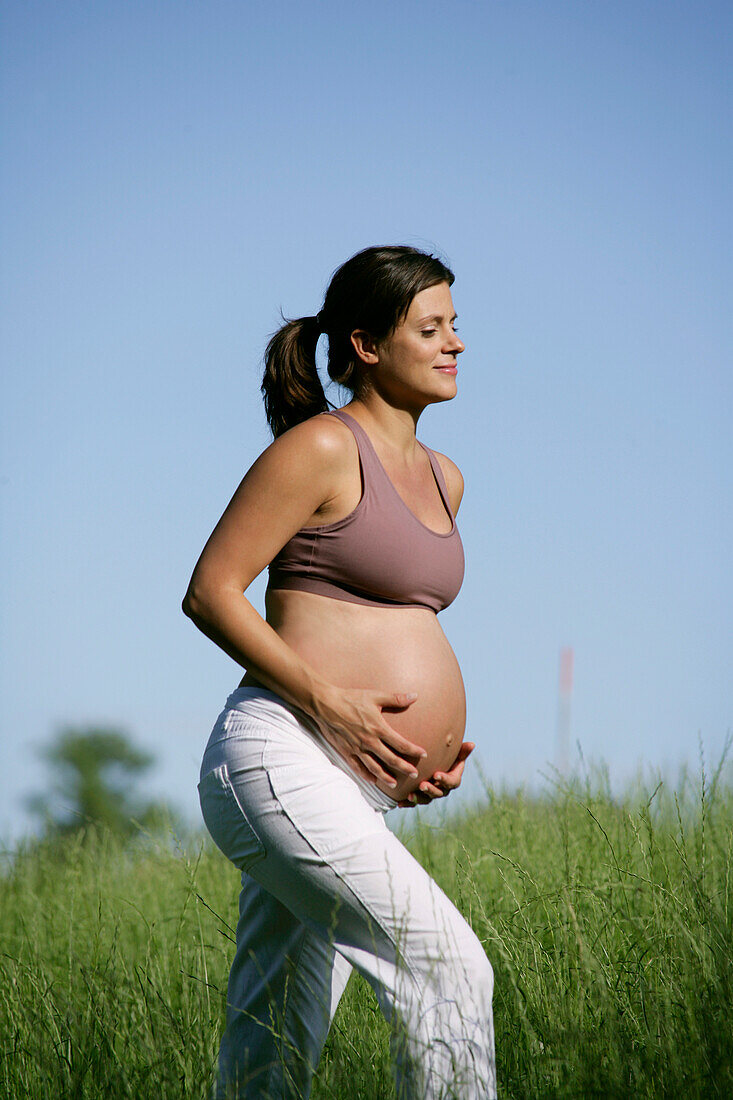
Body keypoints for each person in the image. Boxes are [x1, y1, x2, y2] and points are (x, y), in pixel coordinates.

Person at [183, 244, 497, 1099]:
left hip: (352, 784)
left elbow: (393, 622)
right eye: (430, 328)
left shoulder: (445, 480)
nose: (455, 344)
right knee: (448, 968)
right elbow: (211, 592)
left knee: (271, 1043)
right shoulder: (323, 447)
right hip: (277, 754)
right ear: (365, 344)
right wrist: (337, 709)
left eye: (455, 326)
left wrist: (409, 760)